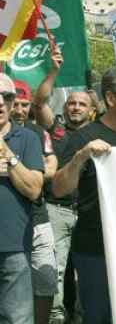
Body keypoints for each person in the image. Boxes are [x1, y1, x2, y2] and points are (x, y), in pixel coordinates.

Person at [52, 67, 116, 323]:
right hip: (95, 248)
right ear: (110, 98)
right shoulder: (84, 137)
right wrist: (81, 157)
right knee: (98, 316)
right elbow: (59, 188)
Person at [32, 51, 95, 323]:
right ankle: (57, 318)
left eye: (82, 104)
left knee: (89, 270)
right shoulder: (56, 130)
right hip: (57, 211)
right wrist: (53, 72)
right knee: (55, 270)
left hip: (90, 213)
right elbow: (39, 101)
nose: (75, 107)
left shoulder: (100, 136)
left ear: (93, 110)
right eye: (71, 103)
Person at [11, 79, 59, 324]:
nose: (19, 110)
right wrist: (31, 168)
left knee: (46, 282)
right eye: (15, 104)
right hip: (11, 222)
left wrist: (32, 171)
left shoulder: (38, 133)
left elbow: (52, 166)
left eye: (24, 104)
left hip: (39, 220)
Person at [0, 73, 45, 324]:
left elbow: (33, 189)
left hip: (14, 247)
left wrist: (7, 153)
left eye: (6, 97)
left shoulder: (27, 138)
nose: (0, 103)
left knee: (16, 319)